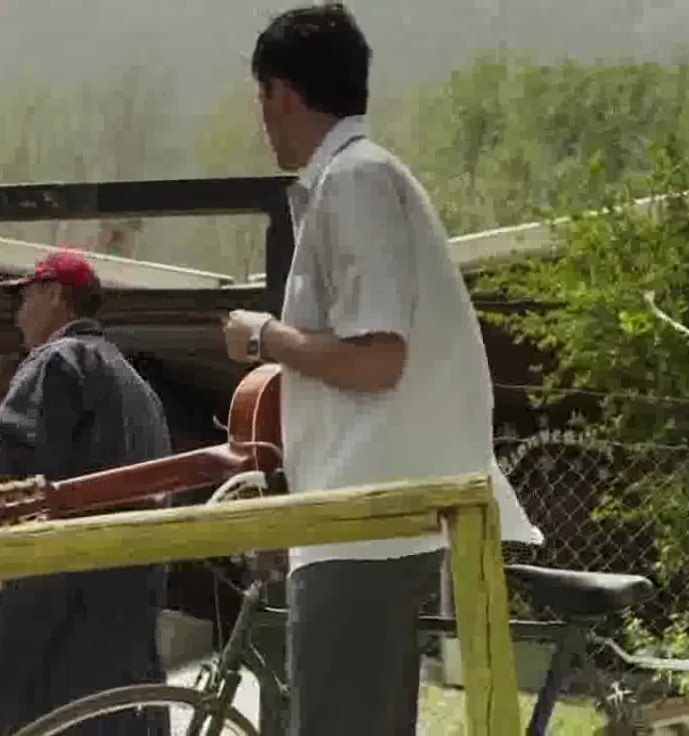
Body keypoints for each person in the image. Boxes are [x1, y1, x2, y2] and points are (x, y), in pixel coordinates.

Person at [220, 5, 544, 735]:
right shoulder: (363, 176)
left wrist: (264, 337)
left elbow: (377, 360)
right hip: (367, 517)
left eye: (261, 99)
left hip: (361, 522)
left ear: (280, 94)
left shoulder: (355, 180)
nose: (262, 122)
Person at [0, 250, 172, 736]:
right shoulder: (138, 387)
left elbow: (17, 471)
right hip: (128, 599)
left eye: (24, 300)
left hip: (55, 596)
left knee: (16, 720)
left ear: (54, 296)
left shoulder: (56, 360)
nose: (17, 315)